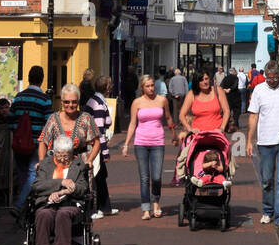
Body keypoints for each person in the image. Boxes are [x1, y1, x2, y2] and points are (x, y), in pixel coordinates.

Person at [246, 60, 279, 228]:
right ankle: (268, 211)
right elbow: (253, 116)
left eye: (275, 77)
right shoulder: (259, 90)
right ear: (265, 76)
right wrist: (249, 140)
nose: (272, 81)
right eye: (269, 78)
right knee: (267, 180)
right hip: (264, 142)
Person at [26, 135, 90, 245]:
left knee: (63, 214)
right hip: (47, 203)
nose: (62, 159)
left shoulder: (78, 165)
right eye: (59, 155)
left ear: (71, 154)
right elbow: (37, 186)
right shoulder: (45, 164)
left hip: (70, 203)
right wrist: (60, 183)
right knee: (43, 214)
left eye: (65, 156)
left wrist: (63, 192)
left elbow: (82, 188)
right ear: (54, 153)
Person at [122, 74, 178, 219]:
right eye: (148, 86)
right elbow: (133, 123)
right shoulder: (137, 102)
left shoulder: (162, 100)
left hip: (158, 142)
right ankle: (146, 208)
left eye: (152, 85)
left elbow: (168, 118)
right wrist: (126, 144)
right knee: (144, 177)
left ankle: (156, 202)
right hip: (141, 142)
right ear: (142, 87)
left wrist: (174, 134)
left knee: (156, 177)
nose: (151, 88)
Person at [9, 66, 53, 217]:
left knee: (22, 175)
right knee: (32, 174)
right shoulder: (44, 99)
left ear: (28, 78)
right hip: (36, 144)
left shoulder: (19, 97)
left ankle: (24, 207)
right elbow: (49, 123)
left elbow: (11, 120)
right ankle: (20, 205)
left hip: (19, 144)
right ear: (41, 80)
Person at [39, 85, 100, 170]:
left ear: (78, 102)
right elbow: (43, 141)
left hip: (81, 167)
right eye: (67, 102)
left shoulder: (86, 118)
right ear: (62, 102)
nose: (70, 105)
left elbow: (96, 142)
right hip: (58, 167)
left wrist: (90, 160)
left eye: (74, 102)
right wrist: (42, 163)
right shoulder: (53, 119)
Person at [85, 75, 119, 218]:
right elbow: (99, 131)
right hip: (95, 146)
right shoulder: (98, 104)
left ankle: (104, 207)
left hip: (93, 144)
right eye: (110, 85)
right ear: (107, 87)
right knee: (95, 176)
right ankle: (93, 209)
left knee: (100, 176)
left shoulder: (95, 100)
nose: (111, 87)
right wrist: (105, 152)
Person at [179, 70, 230, 136]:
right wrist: (190, 129)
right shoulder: (192, 94)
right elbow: (181, 115)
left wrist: (222, 128)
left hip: (217, 135)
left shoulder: (218, 90)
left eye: (206, 79)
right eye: (201, 80)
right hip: (198, 135)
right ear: (197, 82)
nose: (205, 82)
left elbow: (227, 111)